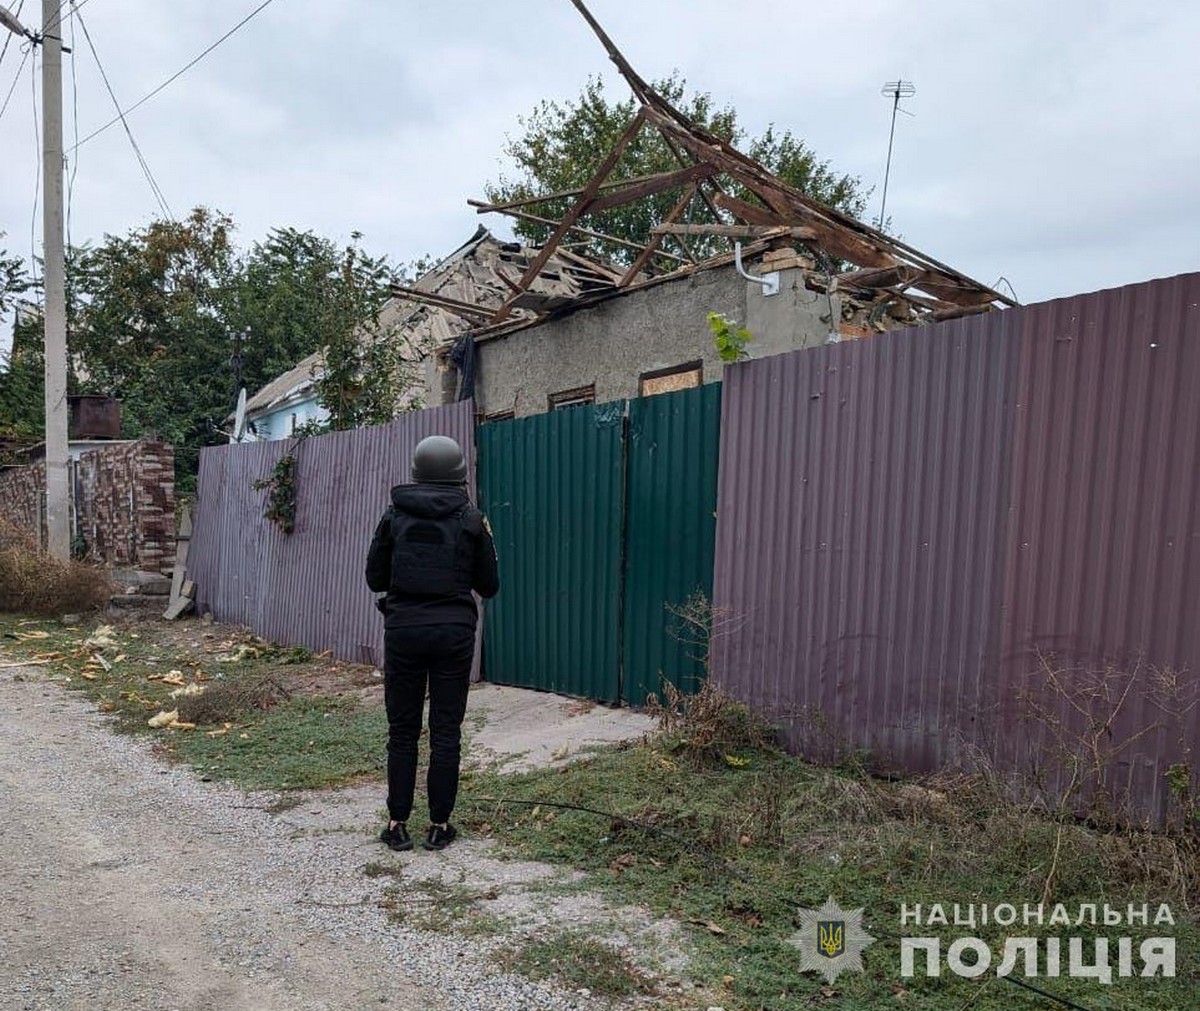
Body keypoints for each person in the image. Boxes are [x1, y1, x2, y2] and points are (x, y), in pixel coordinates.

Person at [365, 435, 499, 851]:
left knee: (402, 729)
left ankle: (396, 823)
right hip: (453, 633)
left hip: (403, 630)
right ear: (460, 475)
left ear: (417, 471)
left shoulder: (393, 518)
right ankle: (440, 826)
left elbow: (375, 578)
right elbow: (489, 586)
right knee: (446, 730)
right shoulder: (473, 520)